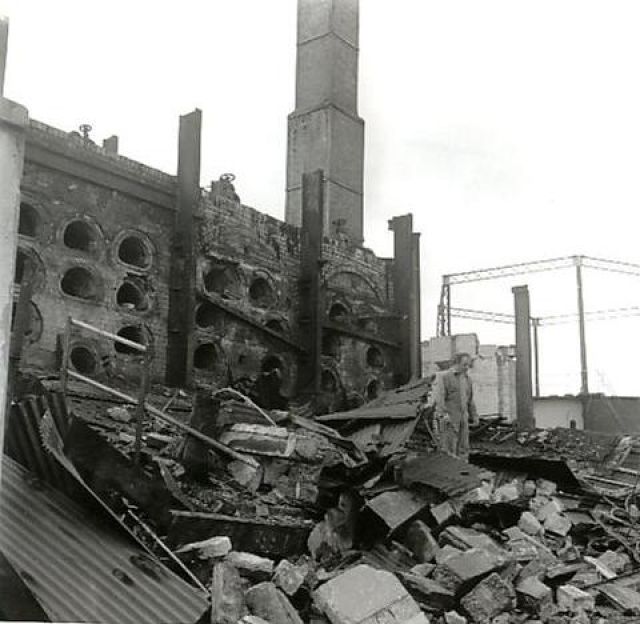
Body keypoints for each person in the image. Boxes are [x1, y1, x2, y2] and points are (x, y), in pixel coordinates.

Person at [433, 352, 479, 459]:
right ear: (456, 363)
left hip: (463, 419)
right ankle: (449, 473)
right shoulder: (444, 377)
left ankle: (463, 472)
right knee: (449, 449)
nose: (467, 367)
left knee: (464, 448)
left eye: (468, 365)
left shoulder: (467, 380)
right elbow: (439, 399)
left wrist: (475, 416)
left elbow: (470, 400)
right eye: (464, 365)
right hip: (449, 420)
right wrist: (443, 415)